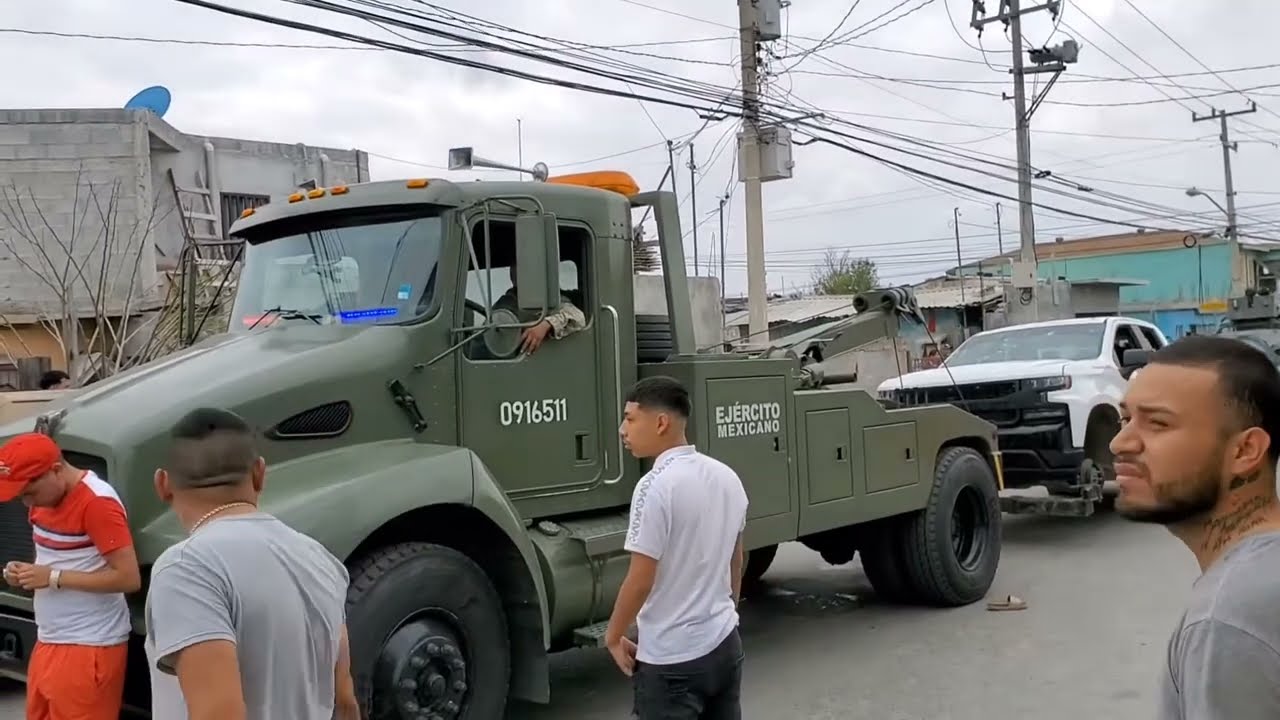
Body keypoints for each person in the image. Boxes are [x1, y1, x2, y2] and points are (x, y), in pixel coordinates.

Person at [143, 407, 359, 720]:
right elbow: (345, 700)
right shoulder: (319, 558)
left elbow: (218, 714)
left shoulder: (186, 568)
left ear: (162, 484)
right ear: (259, 473)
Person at [1110, 335, 1280, 719]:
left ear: (1244, 451)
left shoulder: (1230, 618)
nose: (1120, 443)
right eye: (1125, 419)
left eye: (1157, 423)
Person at [605, 375, 749, 719]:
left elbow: (640, 579)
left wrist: (613, 636)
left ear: (660, 422)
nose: (623, 430)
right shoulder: (727, 476)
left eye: (629, 418)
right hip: (726, 645)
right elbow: (736, 559)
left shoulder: (654, 485)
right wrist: (726, 614)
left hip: (672, 661)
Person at [0, 432, 140, 720]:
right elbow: (53, 558)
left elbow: (128, 578)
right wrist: (24, 573)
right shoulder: (45, 499)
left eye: (29, 493)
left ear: (55, 470)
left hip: (89, 647)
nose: (27, 503)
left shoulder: (97, 503)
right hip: (50, 638)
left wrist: (52, 577)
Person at [492, 263, 586, 354]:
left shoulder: (549, 297)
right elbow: (489, 332)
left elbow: (578, 317)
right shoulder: (507, 302)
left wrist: (545, 325)